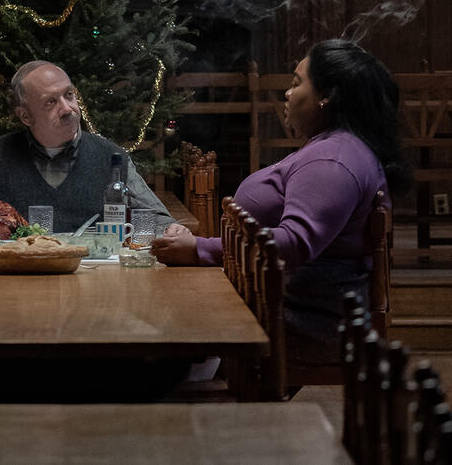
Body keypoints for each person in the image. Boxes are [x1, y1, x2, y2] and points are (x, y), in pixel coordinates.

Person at [152, 39, 410, 364]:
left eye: (297, 83)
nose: (288, 93)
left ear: (326, 97)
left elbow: (294, 243)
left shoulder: (332, 159)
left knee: (153, 319)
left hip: (300, 317)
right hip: (281, 300)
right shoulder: (335, 148)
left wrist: (200, 249)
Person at [0, 60, 174, 244]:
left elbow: (157, 218)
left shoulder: (110, 157)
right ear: (25, 116)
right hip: (13, 285)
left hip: (94, 281)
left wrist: (172, 231)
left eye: (69, 95)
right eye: (51, 102)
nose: (67, 108)